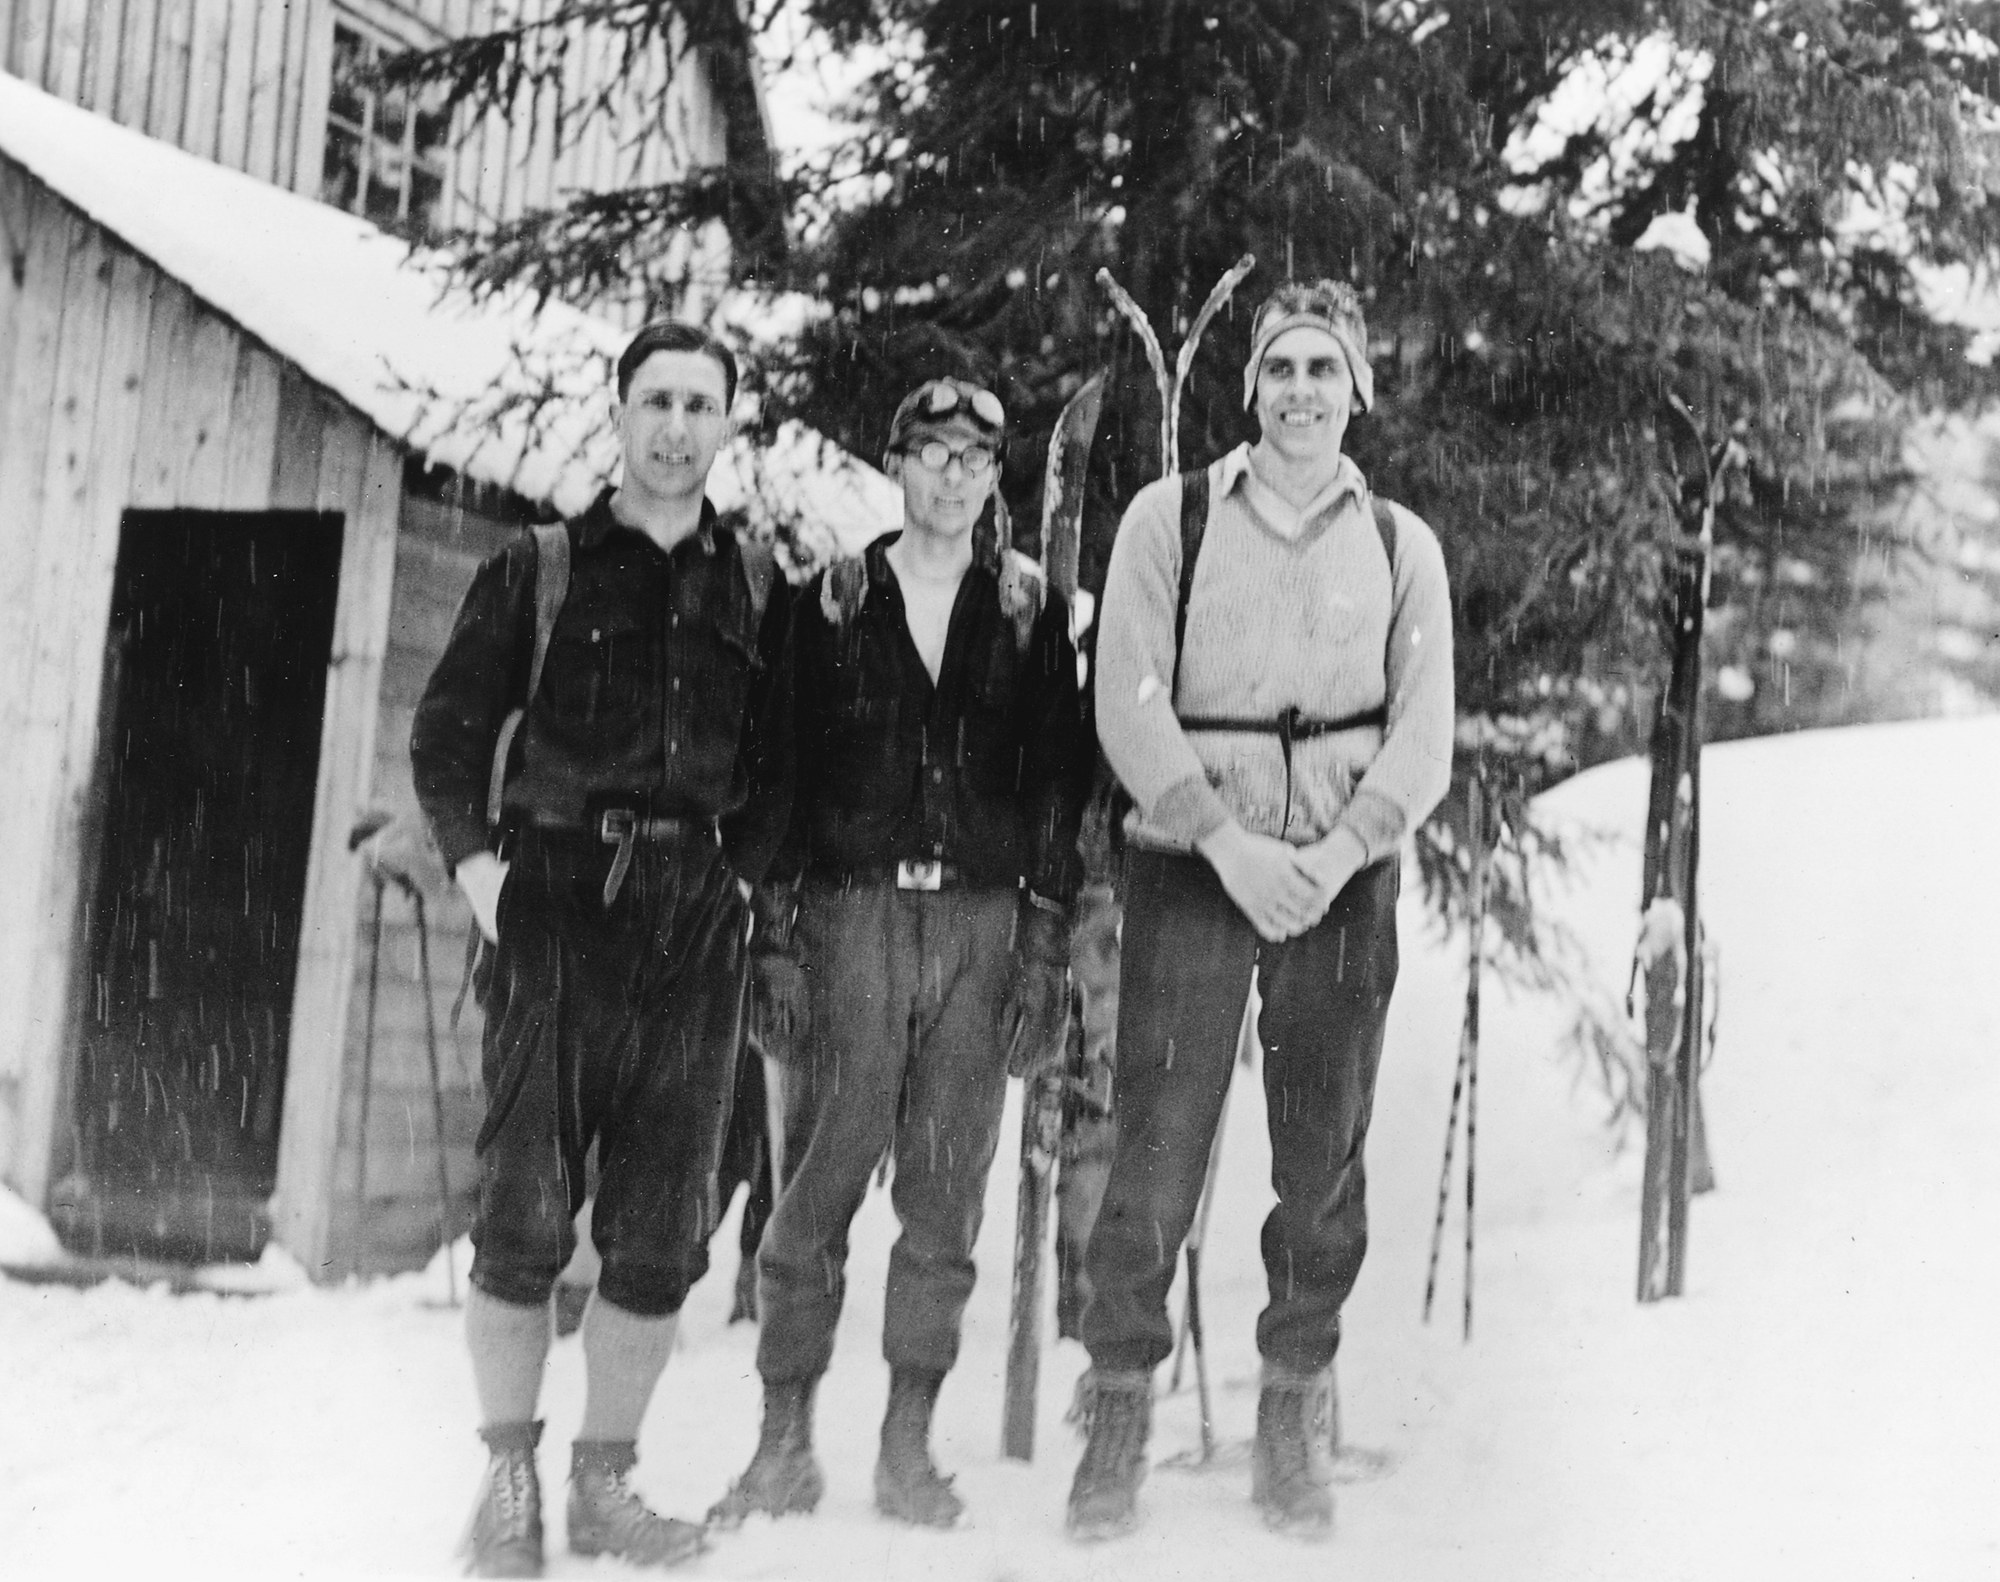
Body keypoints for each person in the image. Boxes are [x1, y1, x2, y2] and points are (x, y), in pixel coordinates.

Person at [1067, 280, 1454, 1541]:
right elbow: (1126, 698)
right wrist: (1224, 842)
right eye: (1278, 368)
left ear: (1357, 390)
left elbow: (1424, 736)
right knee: (1155, 1140)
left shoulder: (1397, 543)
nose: (1299, 391)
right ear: (1247, 388)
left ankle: (1291, 1406)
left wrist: (1336, 852)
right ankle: (1117, 1405)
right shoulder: (1170, 516)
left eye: (1322, 368)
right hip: (1196, 859)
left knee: (1320, 1150)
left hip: (1338, 877)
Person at [410, 319, 794, 1577]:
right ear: (619, 413)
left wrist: (740, 881)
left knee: (660, 1219)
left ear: (727, 424)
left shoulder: (757, 587)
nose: (676, 426)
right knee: (523, 1206)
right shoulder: (540, 566)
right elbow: (446, 735)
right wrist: (482, 875)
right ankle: (507, 1481)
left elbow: (783, 763)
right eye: (656, 401)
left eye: (700, 404)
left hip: (695, 919)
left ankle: (605, 1481)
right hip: (558, 901)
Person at [709, 377, 1093, 1531]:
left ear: (993, 477)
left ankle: (906, 1446)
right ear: (896, 463)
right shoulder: (829, 601)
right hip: (852, 919)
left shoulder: (1027, 613)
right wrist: (776, 940)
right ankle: (783, 1442)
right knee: (817, 1183)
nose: (951, 475)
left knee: (943, 1195)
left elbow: (1057, 790)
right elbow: (775, 771)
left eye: (973, 458)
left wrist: (1042, 947)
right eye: (930, 451)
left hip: (978, 927)